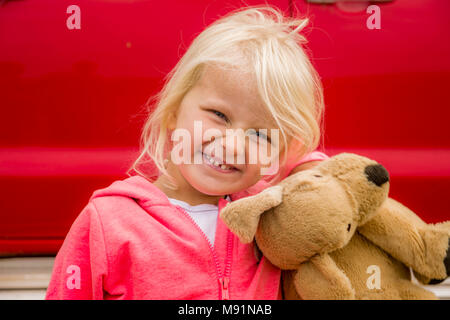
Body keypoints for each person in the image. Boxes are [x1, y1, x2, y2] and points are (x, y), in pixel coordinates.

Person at [45, 5, 329, 300]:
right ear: (173, 110)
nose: (232, 144)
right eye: (219, 114)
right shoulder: (108, 223)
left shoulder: (269, 215)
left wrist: (309, 172)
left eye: (258, 134)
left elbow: (320, 176)